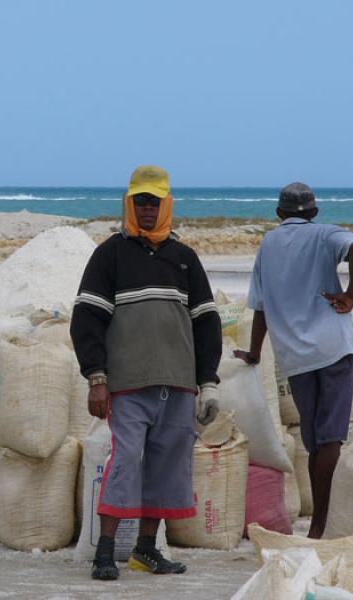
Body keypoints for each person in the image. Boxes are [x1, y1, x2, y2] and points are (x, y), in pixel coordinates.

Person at [70, 165, 222, 581]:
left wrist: (207, 383)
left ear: (167, 205)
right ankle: (104, 552)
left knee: (168, 467)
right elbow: (86, 319)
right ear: (129, 204)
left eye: (154, 202)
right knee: (125, 462)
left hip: (178, 385)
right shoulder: (110, 255)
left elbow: (207, 323)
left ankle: (145, 551)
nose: (148, 209)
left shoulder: (185, 259)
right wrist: (96, 377)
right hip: (128, 385)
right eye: (141, 202)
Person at [234, 182, 353, 539]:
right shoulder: (324, 235)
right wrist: (351, 294)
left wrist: (254, 352)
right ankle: (322, 524)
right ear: (314, 213)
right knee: (331, 440)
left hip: (295, 357)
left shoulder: (268, 244)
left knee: (314, 442)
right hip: (334, 349)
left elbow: (261, 307)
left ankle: (318, 525)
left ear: (279, 214)